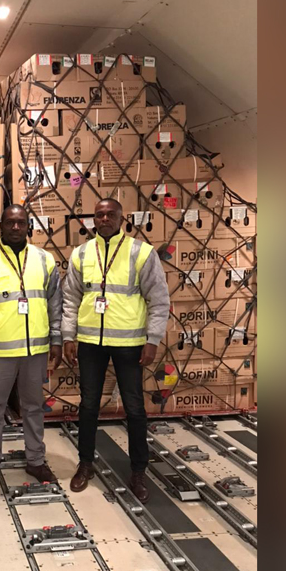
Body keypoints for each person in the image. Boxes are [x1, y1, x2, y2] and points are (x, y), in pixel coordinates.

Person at [61, 198, 169, 501]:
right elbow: (70, 298)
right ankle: (85, 464)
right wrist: (69, 336)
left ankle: (138, 470)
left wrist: (152, 340)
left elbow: (159, 299)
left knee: (134, 408)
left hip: (130, 343)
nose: (104, 218)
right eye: (99, 214)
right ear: (93, 219)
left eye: (110, 214)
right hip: (91, 342)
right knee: (88, 405)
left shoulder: (140, 252)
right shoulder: (81, 254)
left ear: (122, 219)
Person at [0, 205, 63, 493]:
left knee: (33, 407)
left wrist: (56, 339)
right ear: (1, 227)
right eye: (10, 223)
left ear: (29, 226)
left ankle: (35, 459)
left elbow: (54, 304)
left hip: (36, 350)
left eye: (21, 223)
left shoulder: (45, 260)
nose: (15, 228)